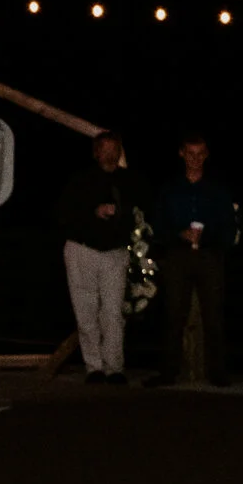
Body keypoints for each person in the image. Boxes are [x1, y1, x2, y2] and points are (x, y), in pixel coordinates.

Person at [53, 129, 145, 384]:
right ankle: (93, 367)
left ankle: (115, 367)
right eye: (105, 149)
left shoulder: (129, 181)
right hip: (82, 249)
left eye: (115, 150)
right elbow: (63, 215)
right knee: (86, 310)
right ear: (96, 153)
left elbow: (139, 210)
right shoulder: (79, 180)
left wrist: (119, 212)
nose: (110, 155)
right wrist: (93, 212)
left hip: (114, 252)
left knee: (113, 312)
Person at [148, 134, 236, 386]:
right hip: (177, 256)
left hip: (209, 256)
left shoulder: (217, 190)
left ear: (206, 155)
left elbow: (228, 228)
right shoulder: (170, 189)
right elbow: (158, 225)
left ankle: (217, 373)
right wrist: (179, 234)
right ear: (181, 154)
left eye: (200, 154)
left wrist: (207, 236)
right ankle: (168, 372)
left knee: (214, 315)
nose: (195, 159)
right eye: (190, 153)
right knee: (173, 313)